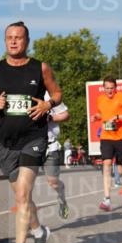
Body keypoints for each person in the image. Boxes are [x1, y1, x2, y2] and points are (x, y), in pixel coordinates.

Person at [0, 21, 62, 243]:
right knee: (23, 197)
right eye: (9, 38)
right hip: (5, 143)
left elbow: (57, 94)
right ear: (5, 41)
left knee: (23, 195)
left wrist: (47, 105)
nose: (13, 41)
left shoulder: (40, 68)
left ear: (27, 41)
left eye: (18, 38)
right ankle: (39, 231)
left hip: (33, 139)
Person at [93, 77, 122, 211]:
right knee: (106, 164)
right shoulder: (100, 99)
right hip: (106, 136)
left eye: (112, 88)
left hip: (121, 137)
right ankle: (107, 200)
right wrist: (96, 117)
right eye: (107, 88)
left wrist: (117, 117)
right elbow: (102, 113)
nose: (109, 90)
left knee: (119, 168)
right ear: (103, 88)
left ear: (115, 88)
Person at [39, 91, 70, 219]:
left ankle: (62, 199)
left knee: (53, 182)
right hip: (28, 146)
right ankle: (30, 220)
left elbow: (66, 115)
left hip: (49, 145)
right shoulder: (20, 92)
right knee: (25, 185)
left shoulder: (49, 95)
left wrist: (49, 118)